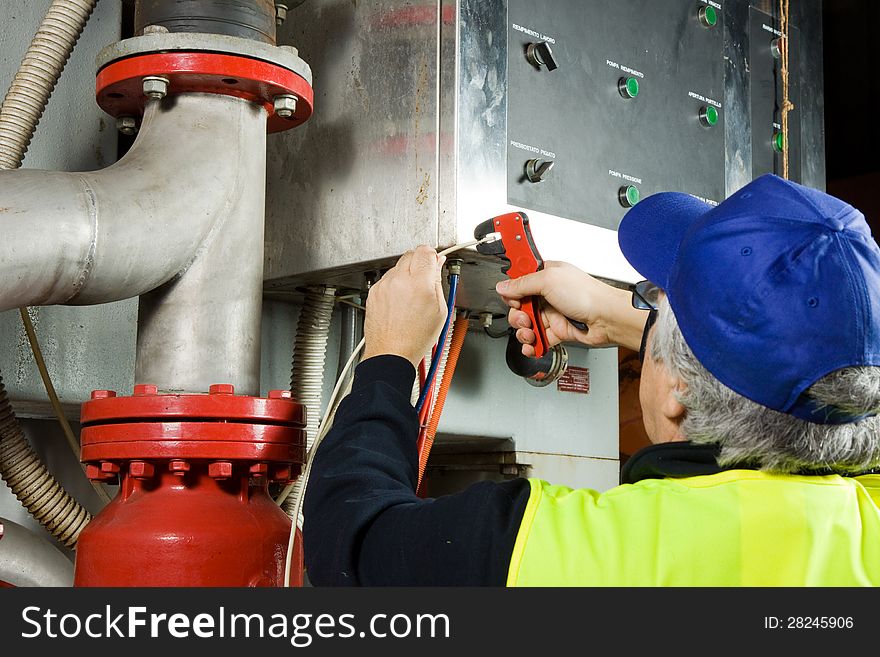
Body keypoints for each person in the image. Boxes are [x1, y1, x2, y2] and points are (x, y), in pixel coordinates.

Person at [302, 174, 880, 586]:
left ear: (678, 390)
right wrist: (619, 318)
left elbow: (352, 549)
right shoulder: (864, 526)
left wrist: (389, 353)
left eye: (656, 300)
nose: (647, 311)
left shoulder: (596, 560)